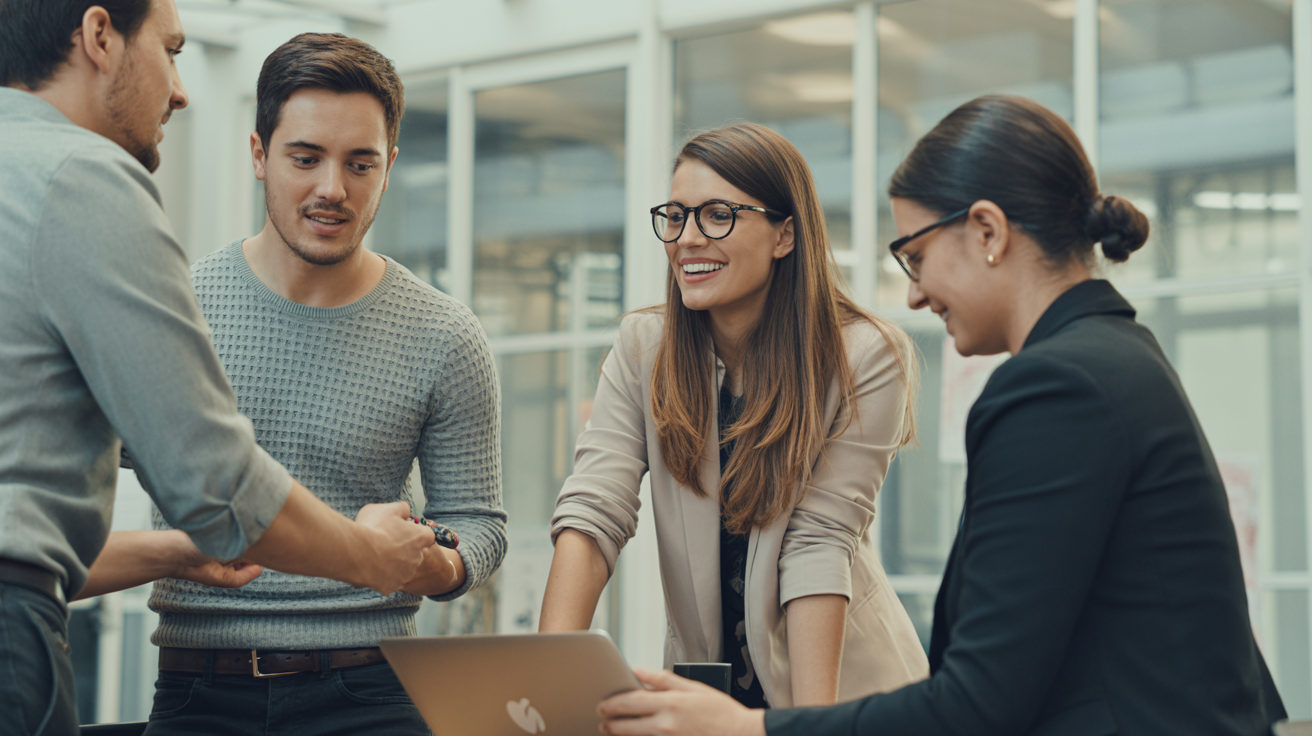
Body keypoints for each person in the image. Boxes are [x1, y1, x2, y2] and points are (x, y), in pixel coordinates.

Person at [595, 95, 1288, 736]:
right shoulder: (1115, 354)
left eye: (917, 255)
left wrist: (747, 729)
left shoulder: (1055, 387)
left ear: (987, 230)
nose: (917, 293)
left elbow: (979, 701)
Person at [0, 3, 436, 735]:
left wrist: (178, 549)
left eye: (359, 161)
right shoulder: (83, 175)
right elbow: (215, 485)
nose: (180, 89)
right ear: (100, 36)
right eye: (170, 51)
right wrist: (368, 554)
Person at [137, 32, 506, 735]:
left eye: (359, 163)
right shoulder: (171, 311)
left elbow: (478, 527)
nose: (332, 188)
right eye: (305, 158)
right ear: (258, 155)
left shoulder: (445, 334)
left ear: (389, 167)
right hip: (199, 691)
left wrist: (419, 563)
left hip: (375, 692)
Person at [540, 123, 928, 710]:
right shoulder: (645, 348)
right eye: (675, 216)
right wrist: (540, 689)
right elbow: (595, 508)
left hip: (845, 694)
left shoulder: (865, 355)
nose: (688, 239)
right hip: (710, 698)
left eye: (718, 214)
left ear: (784, 235)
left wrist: (807, 727)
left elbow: (818, 544)